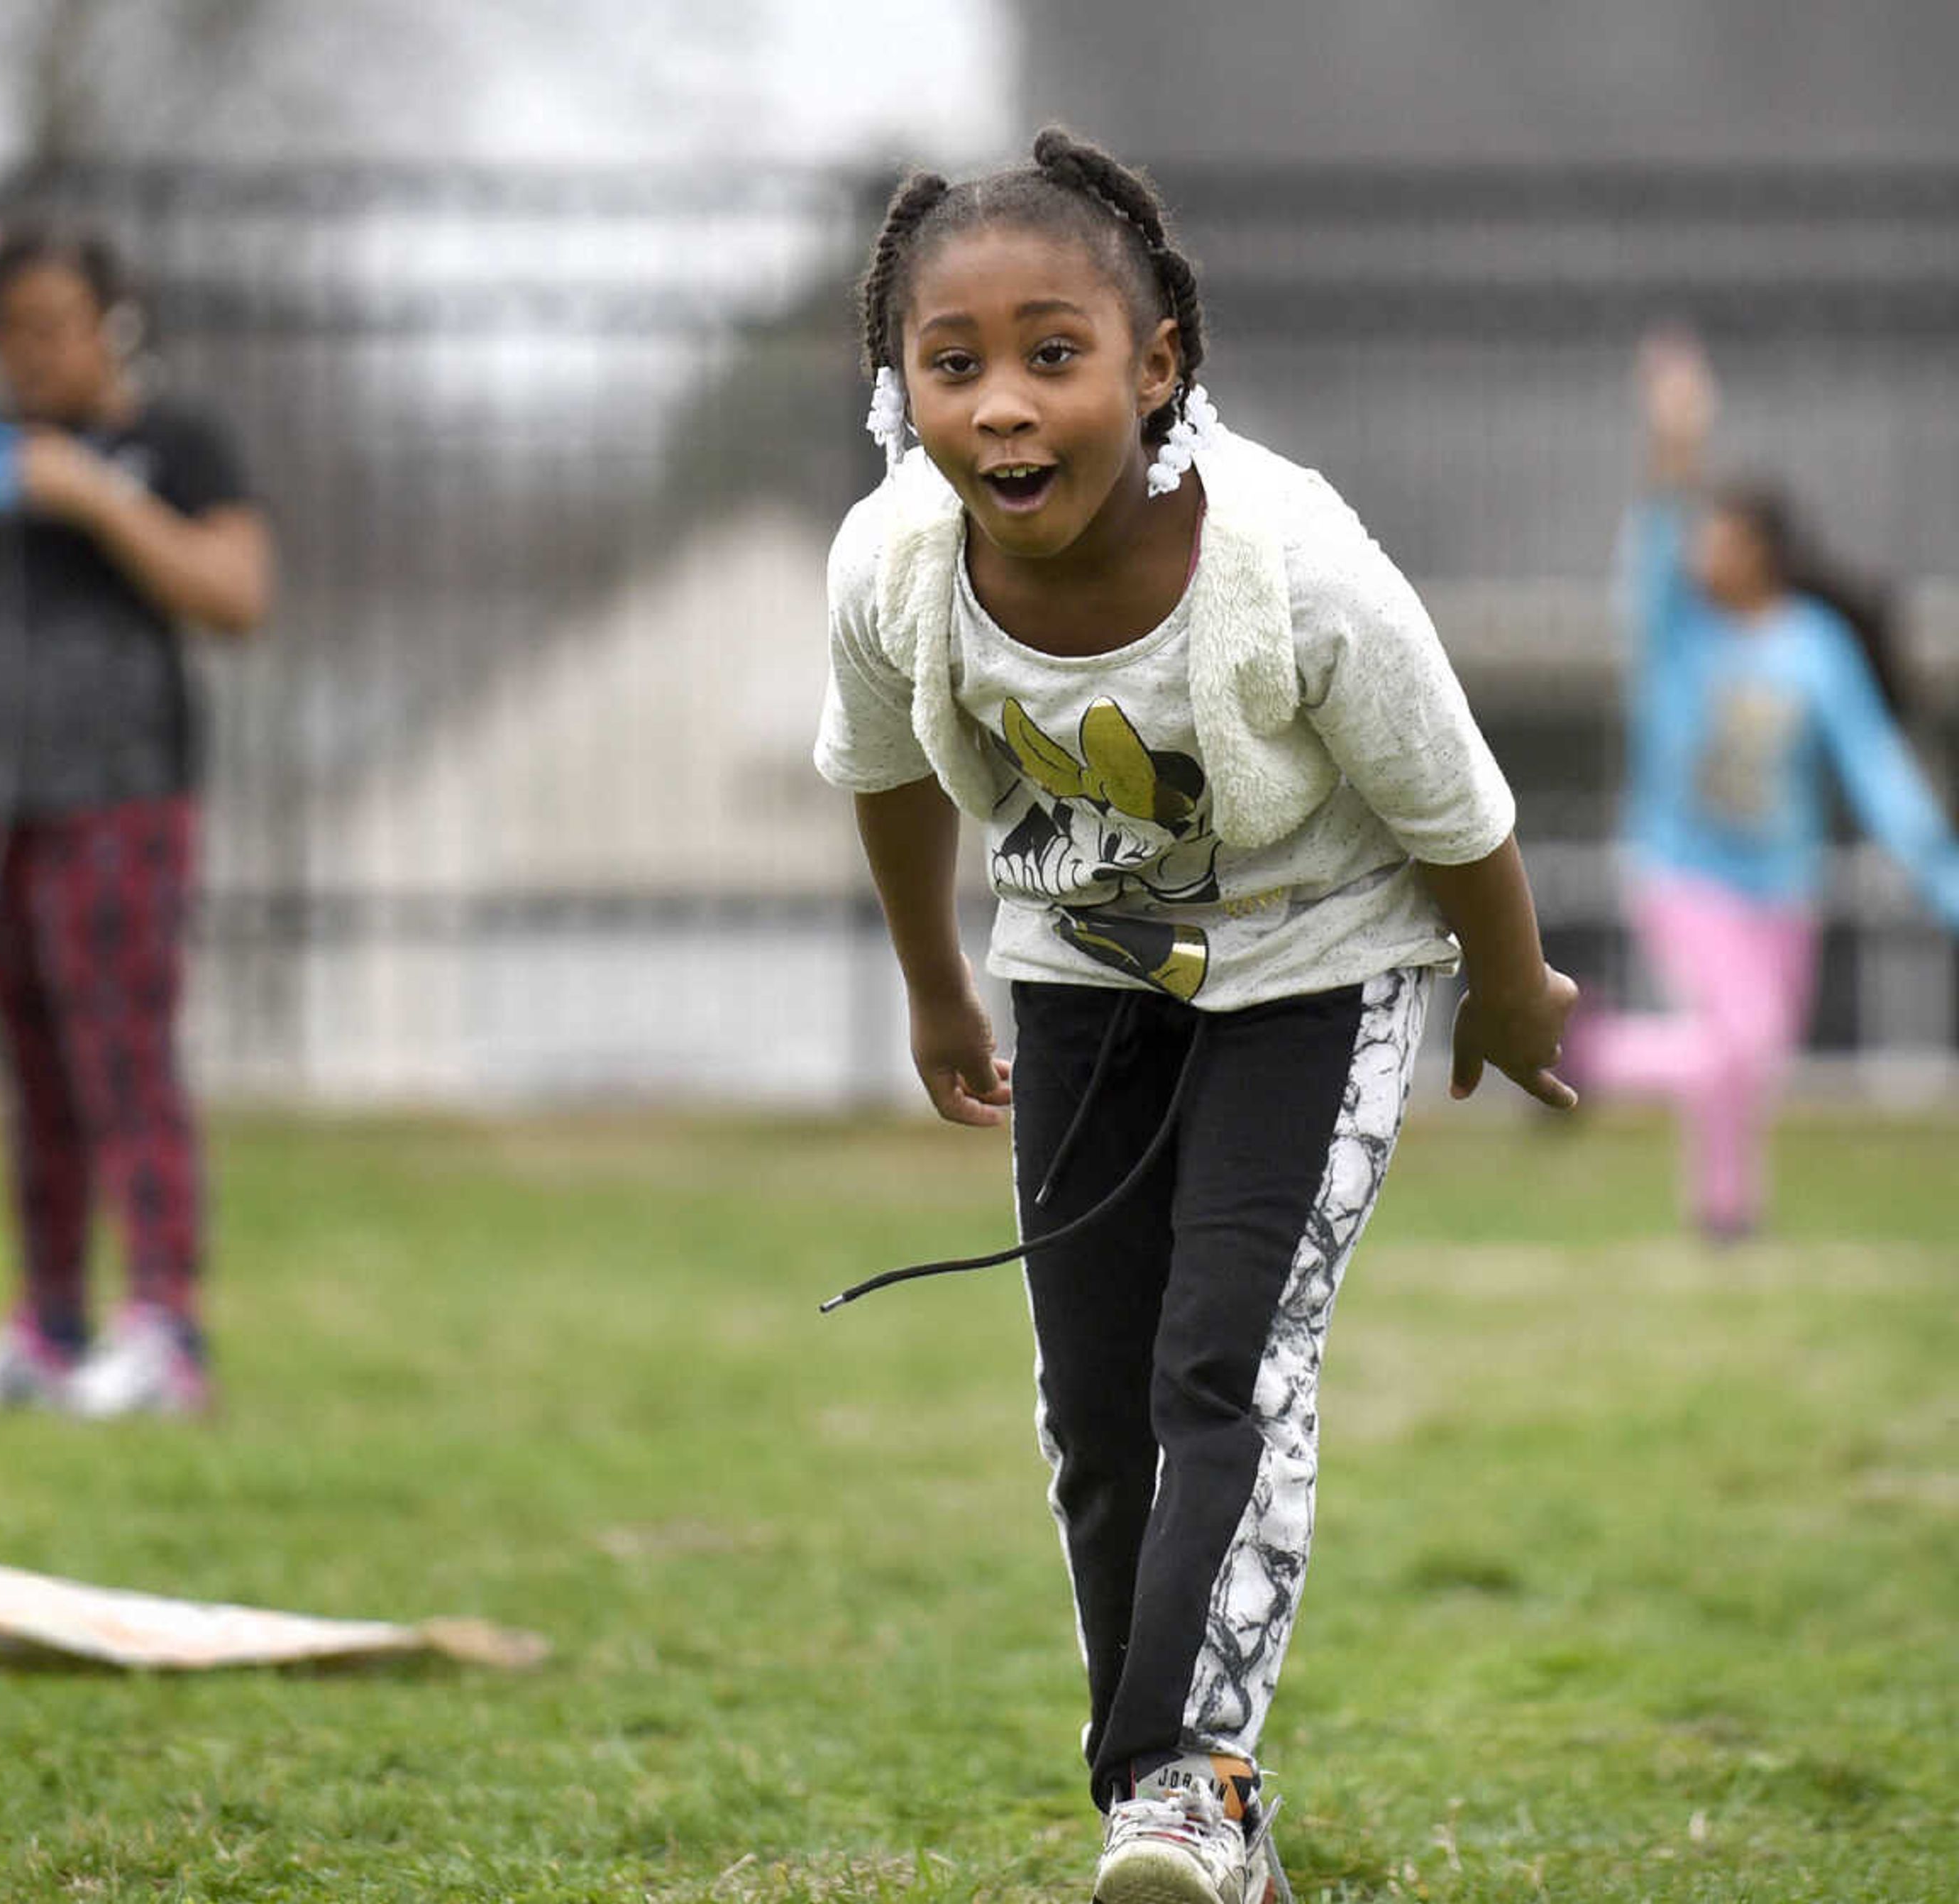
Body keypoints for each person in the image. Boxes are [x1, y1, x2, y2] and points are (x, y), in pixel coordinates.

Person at [811, 128, 1574, 1904]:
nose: (1002, 405)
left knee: (1224, 1365)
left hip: (1327, 969)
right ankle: (1170, 1805)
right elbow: (883, 779)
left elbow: (1460, 809)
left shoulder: (1293, 569)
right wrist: (938, 984)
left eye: (1052, 355)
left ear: (1159, 367)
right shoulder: (894, 570)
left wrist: (1518, 989)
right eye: (954, 363)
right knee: (1093, 1409)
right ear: (898, 385)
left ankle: (1188, 1789)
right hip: (1085, 970)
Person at [0, 216, 272, 1419]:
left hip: (125, 798)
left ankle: (165, 1327)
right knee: (32, 1071)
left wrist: (95, 499)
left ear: (111, 325)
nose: (26, 354)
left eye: (50, 329)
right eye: (6, 332)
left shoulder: (174, 445)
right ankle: (51, 1323)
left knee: (122, 1055)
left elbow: (236, 594)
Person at [1565, 329, 1959, 1243]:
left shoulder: (1813, 646)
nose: (1705, 550)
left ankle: (1726, 1212)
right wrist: (1675, 431)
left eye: (1725, 538)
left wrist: (1940, 873)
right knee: (1736, 1039)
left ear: (1765, 554)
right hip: (1681, 870)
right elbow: (1662, 514)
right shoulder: (1676, 628)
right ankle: (1588, 1053)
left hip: (1780, 886)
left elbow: (1874, 766)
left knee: (1754, 1058)